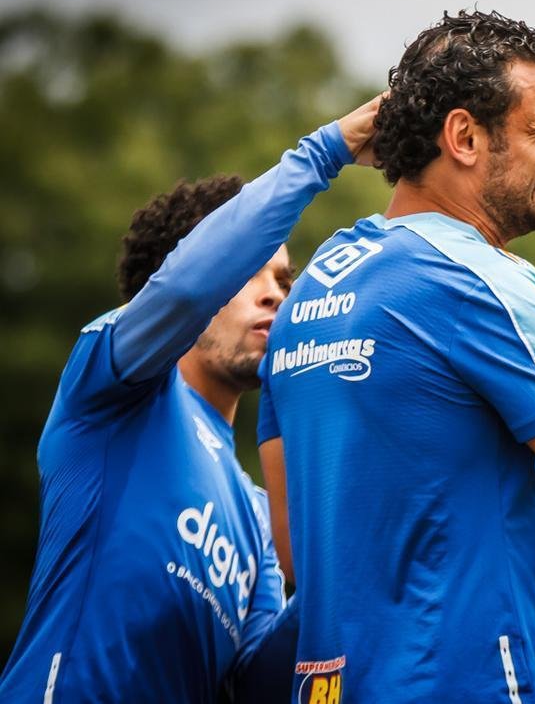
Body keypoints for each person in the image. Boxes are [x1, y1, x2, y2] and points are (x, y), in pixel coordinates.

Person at [256, 10, 535, 703]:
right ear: (464, 136)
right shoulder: (480, 277)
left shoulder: (315, 282)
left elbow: (303, 545)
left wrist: (520, 518)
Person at [0, 98, 381, 702]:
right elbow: (182, 291)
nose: (273, 296)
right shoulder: (112, 393)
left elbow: (257, 684)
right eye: (249, 269)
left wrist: (363, 550)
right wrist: (326, 150)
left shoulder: (258, 521)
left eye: (283, 281)